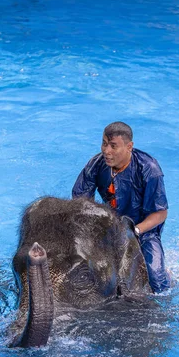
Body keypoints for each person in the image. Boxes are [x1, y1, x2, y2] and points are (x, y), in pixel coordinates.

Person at [72, 121, 170, 293]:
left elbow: (160, 213)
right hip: (110, 225)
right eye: (104, 143)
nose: (106, 151)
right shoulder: (96, 164)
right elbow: (80, 201)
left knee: (157, 281)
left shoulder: (149, 170)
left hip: (143, 231)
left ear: (129, 146)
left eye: (113, 146)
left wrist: (135, 231)